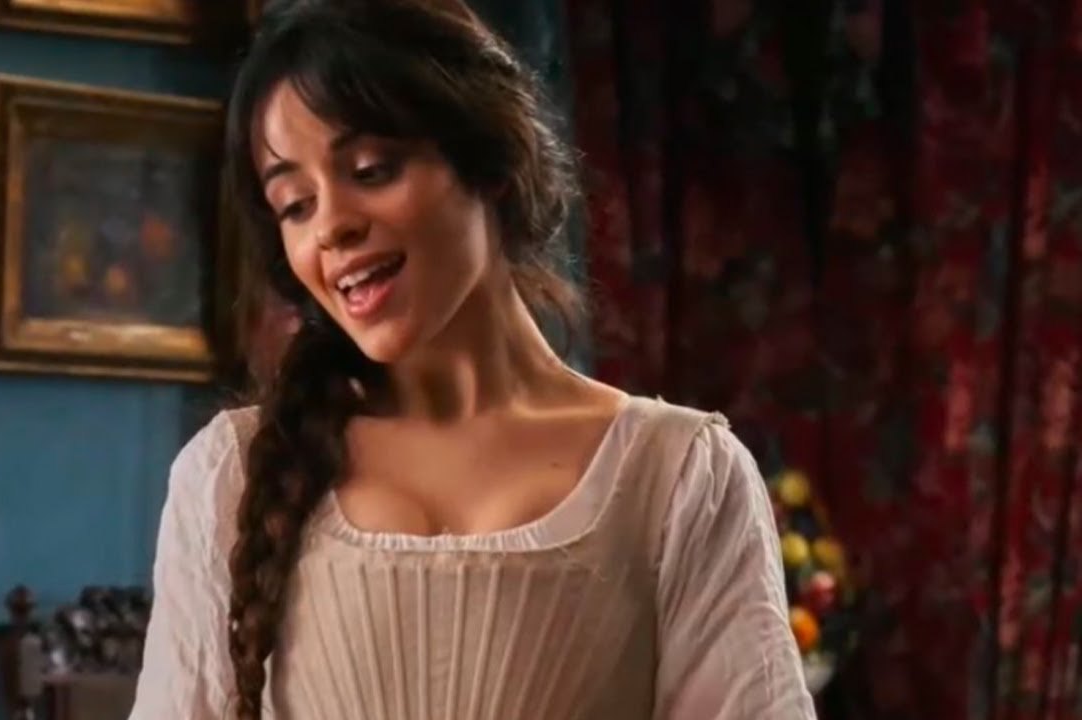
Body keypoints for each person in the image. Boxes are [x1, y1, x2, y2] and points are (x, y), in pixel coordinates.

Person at [128, 0, 817, 718]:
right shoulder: (229, 478)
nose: (331, 226)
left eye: (371, 169)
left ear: (490, 162)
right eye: (295, 204)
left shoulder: (678, 477)